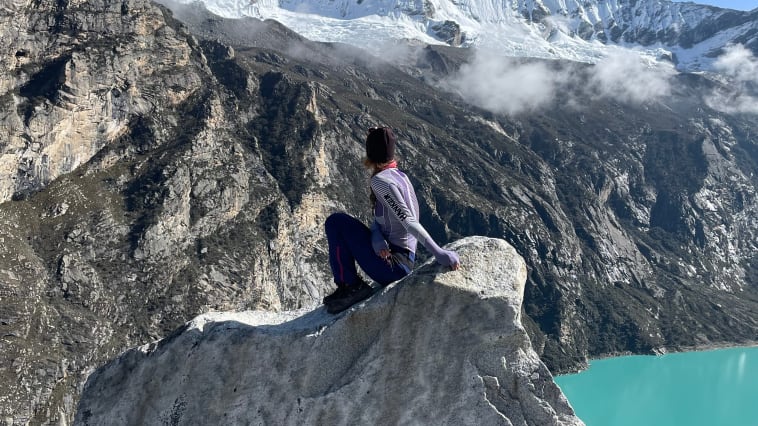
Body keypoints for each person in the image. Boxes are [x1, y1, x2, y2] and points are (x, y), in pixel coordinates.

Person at [323, 126, 461, 314]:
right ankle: (350, 285)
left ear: (370, 154)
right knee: (339, 221)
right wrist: (376, 235)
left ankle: (350, 286)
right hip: (396, 257)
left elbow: (408, 221)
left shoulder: (380, 181)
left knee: (336, 222)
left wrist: (438, 252)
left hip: (395, 266)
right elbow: (387, 218)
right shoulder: (399, 176)